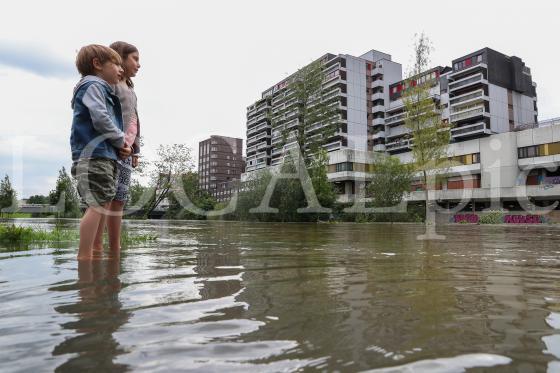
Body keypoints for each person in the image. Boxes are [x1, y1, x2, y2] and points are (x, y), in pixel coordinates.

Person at [70, 44, 132, 260]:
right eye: (115, 64)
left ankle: (95, 254)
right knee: (97, 204)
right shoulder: (94, 85)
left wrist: (117, 148)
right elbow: (101, 118)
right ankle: (84, 257)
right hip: (94, 156)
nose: (120, 69)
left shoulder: (97, 87)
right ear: (97, 64)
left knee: (103, 202)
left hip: (104, 155)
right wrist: (120, 140)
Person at [93, 41, 141, 254]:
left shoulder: (131, 88)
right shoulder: (109, 84)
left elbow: (135, 119)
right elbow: (103, 115)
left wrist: (136, 149)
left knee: (119, 200)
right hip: (110, 150)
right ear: (120, 58)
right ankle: (96, 246)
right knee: (104, 198)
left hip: (127, 153)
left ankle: (115, 247)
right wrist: (117, 141)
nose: (139, 64)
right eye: (135, 59)